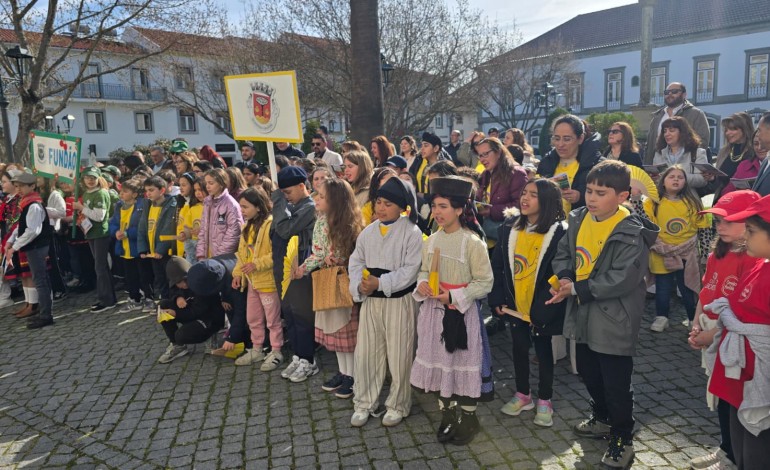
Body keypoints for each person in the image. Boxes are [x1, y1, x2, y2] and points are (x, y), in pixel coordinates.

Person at [549, 160, 658, 469]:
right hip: (582, 309)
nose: (591, 198)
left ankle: (622, 438)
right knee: (586, 368)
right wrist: (566, 276)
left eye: (601, 192)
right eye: (589, 190)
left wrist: (576, 290)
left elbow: (621, 279)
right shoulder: (579, 218)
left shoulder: (631, 231)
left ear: (622, 196)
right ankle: (602, 417)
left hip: (615, 316)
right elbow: (563, 255)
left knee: (616, 381)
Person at [410, 176, 494, 445]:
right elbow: (424, 270)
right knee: (439, 365)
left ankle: (469, 419)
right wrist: (423, 284)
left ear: (459, 209)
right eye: (434, 206)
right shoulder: (431, 240)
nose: (437, 212)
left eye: (444, 206)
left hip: (461, 315)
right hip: (434, 314)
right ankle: (447, 415)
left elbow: (485, 282)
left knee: (460, 365)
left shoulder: (472, 243)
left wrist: (454, 295)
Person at [687, 190, 759, 470]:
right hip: (710, 330)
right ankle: (726, 447)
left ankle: (734, 456)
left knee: (733, 397)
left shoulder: (752, 259)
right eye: (718, 220)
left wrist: (713, 335)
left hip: (731, 338)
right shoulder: (719, 251)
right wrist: (696, 321)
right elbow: (706, 291)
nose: (721, 226)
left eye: (730, 221)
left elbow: (744, 314)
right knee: (720, 394)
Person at [489, 178, 567, 428]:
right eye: (524, 192)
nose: (525, 198)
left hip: (541, 308)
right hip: (515, 305)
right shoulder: (509, 229)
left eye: (533, 195)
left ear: (547, 201)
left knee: (544, 353)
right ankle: (523, 394)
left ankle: (545, 398)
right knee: (519, 349)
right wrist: (497, 298)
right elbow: (498, 266)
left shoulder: (559, 233)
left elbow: (560, 272)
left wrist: (542, 307)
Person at [348, 177, 423, 427]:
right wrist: (359, 283)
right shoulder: (368, 232)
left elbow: (411, 269)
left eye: (387, 204)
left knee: (400, 354)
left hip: (399, 302)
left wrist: (381, 283)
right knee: (367, 352)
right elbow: (356, 261)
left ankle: (398, 404)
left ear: (402, 207)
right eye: (378, 202)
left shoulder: (411, 232)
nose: (380, 208)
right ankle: (365, 402)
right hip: (371, 302)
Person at [706, 194, 770, 469]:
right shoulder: (761, 266)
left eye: (752, 231)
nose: (747, 236)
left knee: (757, 454)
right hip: (740, 376)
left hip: (759, 383)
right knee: (742, 448)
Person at [296, 179, 363, 393]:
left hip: (343, 285)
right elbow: (319, 253)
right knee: (336, 334)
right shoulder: (322, 221)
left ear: (336, 201)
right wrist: (306, 267)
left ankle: (353, 376)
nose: (316, 199)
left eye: (322, 197)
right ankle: (344, 372)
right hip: (329, 282)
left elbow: (339, 254)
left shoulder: (347, 225)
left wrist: (304, 268)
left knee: (346, 334)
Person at [643, 165, 709, 331]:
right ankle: (661, 316)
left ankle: (692, 318)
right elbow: (644, 220)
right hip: (661, 251)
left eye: (680, 177)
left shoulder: (692, 202)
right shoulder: (654, 201)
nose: (676, 180)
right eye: (671, 176)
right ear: (663, 181)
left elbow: (704, 228)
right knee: (662, 286)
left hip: (686, 251)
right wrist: (637, 199)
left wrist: (705, 253)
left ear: (685, 182)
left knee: (687, 286)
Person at [270, 167, 317, 381]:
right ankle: (298, 355)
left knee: (302, 316)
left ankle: (308, 359)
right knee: (289, 313)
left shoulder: (310, 207)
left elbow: (285, 229)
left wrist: (278, 202)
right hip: (288, 269)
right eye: (283, 193)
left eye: (288, 192)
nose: (285, 197)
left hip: (301, 270)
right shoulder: (294, 206)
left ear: (302, 186)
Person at [232, 188, 284, 371]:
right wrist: (237, 273)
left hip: (267, 282)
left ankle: (276, 350)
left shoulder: (270, 225)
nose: (242, 211)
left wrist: (257, 264)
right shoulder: (247, 227)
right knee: (253, 317)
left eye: (245, 207)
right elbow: (241, 254)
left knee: (273, 319)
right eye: (241, 207)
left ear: (258, 206)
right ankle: (257, 348)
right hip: (252, 282)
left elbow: (276, 254)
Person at [6, 172, 53, 329]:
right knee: (39, 279)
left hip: (37, 247)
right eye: (17, 186)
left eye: (22, 186)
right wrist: (12, 240)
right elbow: (22, 226)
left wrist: (15, 247)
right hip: (33, 247)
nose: (18, 189)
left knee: (40, 281)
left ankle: (46, 315)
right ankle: (44, 313)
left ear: (32, 186)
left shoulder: (34, 205)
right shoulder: (27, 203)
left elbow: (33, 231)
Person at [157, 256, 226, 363]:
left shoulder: (201, 284)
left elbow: (198, 310)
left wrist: (176, 314)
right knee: (163, 305)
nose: (182, 285)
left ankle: (210, 334)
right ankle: (177, 346)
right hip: (192, 311)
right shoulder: (179, 285)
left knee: (181, 335)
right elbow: (172, 292)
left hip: (209, 318)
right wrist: (178, 297)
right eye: (178, 283)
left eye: (183, 281)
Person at [537, 114, 604, 213]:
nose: (560, 144)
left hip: (581, 223)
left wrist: (580, 197)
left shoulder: (598, 165)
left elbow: (607, 199)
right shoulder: (546, 162)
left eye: (567, 139)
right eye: (556, 138)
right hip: (548, 224)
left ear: (580, 138)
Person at [73, 166, 116, 312]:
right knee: (100, 266)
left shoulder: (101, 193)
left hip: (100, 233)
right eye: (87, 178)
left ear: (99, 178)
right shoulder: (86, 194)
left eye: (93, 178)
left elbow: (100, 216)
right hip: (91, 233)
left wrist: (81, 208)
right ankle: (109, 297)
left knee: (100, 267)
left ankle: (106, 299)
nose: (90, 180)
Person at [110, 177, 155, 313]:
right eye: (121, 191)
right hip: (124, 248)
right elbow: (112, 223)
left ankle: (149, 298)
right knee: (130, 276)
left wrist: (129, 233)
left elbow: (144, 226)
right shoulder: (119, 206)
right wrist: (115, 232)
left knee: (144, 274)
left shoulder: (143, 205)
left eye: (125, 191)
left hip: (138, 247)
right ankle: (134, 298)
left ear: (135, 194)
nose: (121, 194)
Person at [475, 138, 528, 245]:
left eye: (485, 154)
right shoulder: (486, 174)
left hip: (505, 239)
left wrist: (491, 211)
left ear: (498, 152)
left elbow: (521, 205)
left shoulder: (516, 173)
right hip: (487, 237)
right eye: (480, 155)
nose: (482, 159)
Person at [644, 82, 710, 165]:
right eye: (666, 92)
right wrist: (648, 165)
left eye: (674, 91)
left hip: (684, 167)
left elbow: (703, 141)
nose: (670, 94)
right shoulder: (657, 116)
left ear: (684, 94)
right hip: (659, 166)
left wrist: (687, 162)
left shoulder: (696, 114)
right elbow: (650, 145)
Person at [138, 175, 178, 301]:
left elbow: (168, 228)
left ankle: (172, 303)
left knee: (170, 278)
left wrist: (161, 249)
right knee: (159, 278)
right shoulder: (148, 205)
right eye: (146, 190)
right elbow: (142, 228)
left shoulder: (171, 205)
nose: (148, 193)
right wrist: (143, 249)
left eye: (151, 190)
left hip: (164, 252)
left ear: (162, 190)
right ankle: (165, 302)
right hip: (152, 251)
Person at [704, 113, 756, 200]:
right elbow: (719, 184)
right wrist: (712, 178)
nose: (727, 133)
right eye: (726, 130)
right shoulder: (724, 151)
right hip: (722, 201)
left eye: (732, 129)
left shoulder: (754, 152)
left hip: (744, 202)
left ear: (745, 129)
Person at [652, 116, 709, 193]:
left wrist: (678, 178)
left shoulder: (698, 153)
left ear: (682, 132)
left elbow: (702, 180)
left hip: (688, 201)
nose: (666, 134)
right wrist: (654, 178)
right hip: (664, 200)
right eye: (665, 131)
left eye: (671, 130)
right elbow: (656, 181)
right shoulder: (659, 154)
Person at [196, 168, 243, 260]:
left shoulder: (231, 204)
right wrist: (201, 255)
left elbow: (233, 234)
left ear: (221, 183)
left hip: (223, 259)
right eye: (206, 183)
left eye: (211, 183)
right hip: (208, 258)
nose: (207, 187)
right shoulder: (207, 203)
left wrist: (219, 257)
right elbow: (203, 230)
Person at [175, 173, 202, 264]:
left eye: (184, 185)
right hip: (183, 248)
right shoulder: (182, 204)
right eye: (179, 185)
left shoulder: (195, 207)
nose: (180, 188)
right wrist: (183, 233)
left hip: (196, 250)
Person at [411, 132, 446, 197]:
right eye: (422, 145)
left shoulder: (444, 167)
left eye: (426, 145)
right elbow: (411, 177)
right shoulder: (418, 161)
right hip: (418, 203)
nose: (422, 149)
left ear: (436, 148)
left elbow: (444, 191)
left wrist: (425, 196)